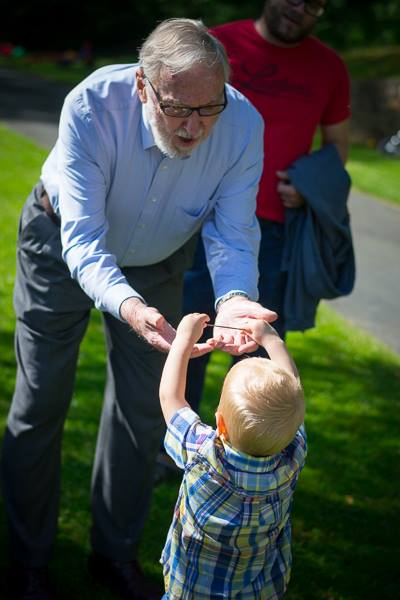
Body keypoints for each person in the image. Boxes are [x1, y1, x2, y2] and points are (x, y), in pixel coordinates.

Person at [1, 18, 279, 600]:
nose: (195, 127)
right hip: (58, 245)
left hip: (159, 260)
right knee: (40, 400)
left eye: (209, 108)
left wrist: (234, 300)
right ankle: (28, 560)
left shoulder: (242, 123)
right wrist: (128, 306)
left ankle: (114, 554)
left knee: (145, 412)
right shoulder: (91, 105)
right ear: (142, 86)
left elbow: (232, 232)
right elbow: (83, 240)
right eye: (178, 109)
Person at [183, 0, 351, 413]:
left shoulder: (330, 67)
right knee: (188, 342)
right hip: (202, 221)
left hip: (275, 230)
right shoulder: (217, 44)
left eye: (313, 4)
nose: (300, 9)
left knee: (256, 355)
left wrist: (309, 186)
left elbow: (337, 148)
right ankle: (176, 439)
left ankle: (249, 442)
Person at [158, 313, 307, 599]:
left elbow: (170, 397)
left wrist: (183, 339)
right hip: (257, 590)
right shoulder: (292, 457)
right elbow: (295, 395)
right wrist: (272, 340)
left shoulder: (202, 455)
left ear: (220, 423)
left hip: (190, 590)